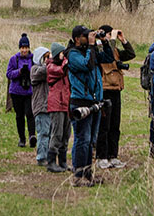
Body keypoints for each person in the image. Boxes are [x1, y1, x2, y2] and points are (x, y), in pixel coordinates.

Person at [67, 24, 113, 186]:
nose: (88, 38)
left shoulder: (89, 51)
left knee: (91, 140)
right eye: (85, 36)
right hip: (80, 103)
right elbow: (87, 65)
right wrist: (92, 46)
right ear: (77, 39)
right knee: (82, 139)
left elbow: (108, 59)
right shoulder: (72, 54)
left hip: (94, 103)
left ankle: (88, 174)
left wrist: (105, 43)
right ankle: (78, 176)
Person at [95, 24, 135, 169]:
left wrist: (123, 40)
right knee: (104, 126)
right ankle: (101, 156)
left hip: (116, 90)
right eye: (109, 34)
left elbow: (131, 54)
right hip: (105, 90)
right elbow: (107, 56)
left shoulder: (115, 49)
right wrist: (109, 40)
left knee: (115, 125)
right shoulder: (99, 48)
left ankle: (113, 156)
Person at [6, 33, 36, 148]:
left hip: (29, 92)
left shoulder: (33, 59)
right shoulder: (14, 59)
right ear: (19, 48)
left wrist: (29, 73)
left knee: (30, 114)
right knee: (19, 116)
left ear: (29, 48)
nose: (24, 50)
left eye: (26, 47)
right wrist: (19, 72)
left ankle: (32, 136)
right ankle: (22, 139)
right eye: (22, 48)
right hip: (16, 92)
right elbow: (8, 74)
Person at [46, 42, 71, 173]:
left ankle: (62, 162)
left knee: (66, 134)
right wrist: (66, 61)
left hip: (66, 104)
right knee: (57, 133)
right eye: (62, 53)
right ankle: (51, 162)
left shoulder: (61, 64)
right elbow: (61, 70)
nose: (63, 55)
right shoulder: (51, 67)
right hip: (56, 104)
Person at [30, 46, 52, 165]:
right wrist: (48, 62)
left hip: (49, 105)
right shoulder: (34, 69)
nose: (48, 59)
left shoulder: (47, 68)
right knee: (43, 132)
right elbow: (42, 72)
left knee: (49, 132)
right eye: (45, 57)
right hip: (40, 106)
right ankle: (41, 157)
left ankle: (48, 155)